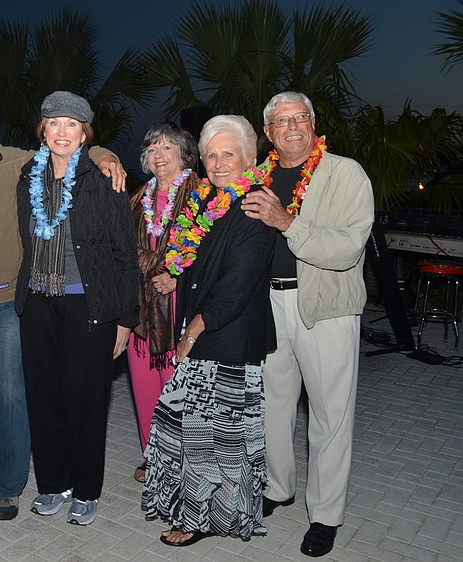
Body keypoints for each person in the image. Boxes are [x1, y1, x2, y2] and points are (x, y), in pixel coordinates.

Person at [0, 90, 126, 520]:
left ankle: (47, 488)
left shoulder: (32, 166)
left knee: (43, 398)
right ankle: (17, 476)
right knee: (3, 397)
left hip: (47, 303)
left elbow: (122, 247)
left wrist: (106, 154)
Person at [241, 91, 374, 557]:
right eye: (282, 121)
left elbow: (348, 247)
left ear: (313, 124)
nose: (292, 127)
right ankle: (277, 487)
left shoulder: (345, 173)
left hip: (325, 308)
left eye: (300, 117)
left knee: (330, 415)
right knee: (272, 405)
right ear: (268, 132)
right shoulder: (256, 177)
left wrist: (287, 222)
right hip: (268, 304)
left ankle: (325, 515)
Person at [143, 115, 276, 547]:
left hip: (229, 336)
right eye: (211, 155)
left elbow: (236, 284)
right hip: (206, 330)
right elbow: (198, 263)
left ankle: (201, 518)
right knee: (194, 429)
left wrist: (192, 332)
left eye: (228, 154)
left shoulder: (254, 207)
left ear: (249, 159)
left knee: (216, 439)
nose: (218, 164)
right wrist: (176, 278)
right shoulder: (210, 203)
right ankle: (201, 511)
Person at [15, 91, 139, 526]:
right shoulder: (27, 176)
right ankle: (53, 483)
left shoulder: (103, 179)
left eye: (72, 124)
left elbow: (125, 254)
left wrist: (125, 319)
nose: (62, 132)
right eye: (54, 123)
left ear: (85, 134)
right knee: (44, 398)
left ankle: (86, 491)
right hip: (37, 302)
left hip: (89, 305)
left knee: (84, 401)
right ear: (43, 130)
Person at [126, 122, 200, 484]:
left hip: (179, 310)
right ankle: (153, 454)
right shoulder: (137, 198)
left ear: (184, 153)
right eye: (153, 148)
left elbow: (213, 251)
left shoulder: (202, 196)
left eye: (167, 147)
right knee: (144, 389)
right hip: (142, 310)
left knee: (179, 389)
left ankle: (184, 460)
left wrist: (179, 276)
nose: (159, 155)